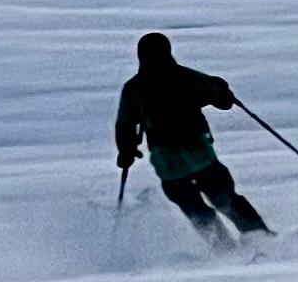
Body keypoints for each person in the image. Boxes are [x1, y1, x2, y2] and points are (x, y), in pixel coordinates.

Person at [114, 30, 271, 244]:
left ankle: (224, 251)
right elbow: (220, 98)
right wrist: (223, 90)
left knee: (193, 208)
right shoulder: (184, 77)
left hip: (168, 162)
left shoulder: (133, 89)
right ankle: (261, 238)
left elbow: (125, 124)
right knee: (223, 197)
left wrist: (126, 150)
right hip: (198, 152)